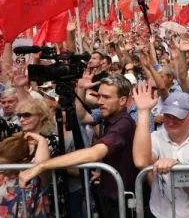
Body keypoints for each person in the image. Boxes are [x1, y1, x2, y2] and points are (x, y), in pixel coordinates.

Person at [19, 75, 138, 218]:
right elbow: (81, 117)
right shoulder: (110, 117)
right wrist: (101, 171)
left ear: (123, 100)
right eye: (99, 96)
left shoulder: (123, 124)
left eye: (106, 97)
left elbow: (94, 153)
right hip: (110, 195)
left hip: (121, 200)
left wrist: (41, 166)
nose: (100, 102)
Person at [132, 86, 189, 218]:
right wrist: (143, 112)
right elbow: (141, 161)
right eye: (167, 116)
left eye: (178, 117)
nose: (170, 122)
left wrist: (178, 169)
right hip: (158, 214)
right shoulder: (156, 137)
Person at [0, 132, 52, 217]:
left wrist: (42, 141)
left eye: (4, 164)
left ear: (22, 162)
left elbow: (41, 164)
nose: (1, 168)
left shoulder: (33, 176)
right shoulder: (2, 178)